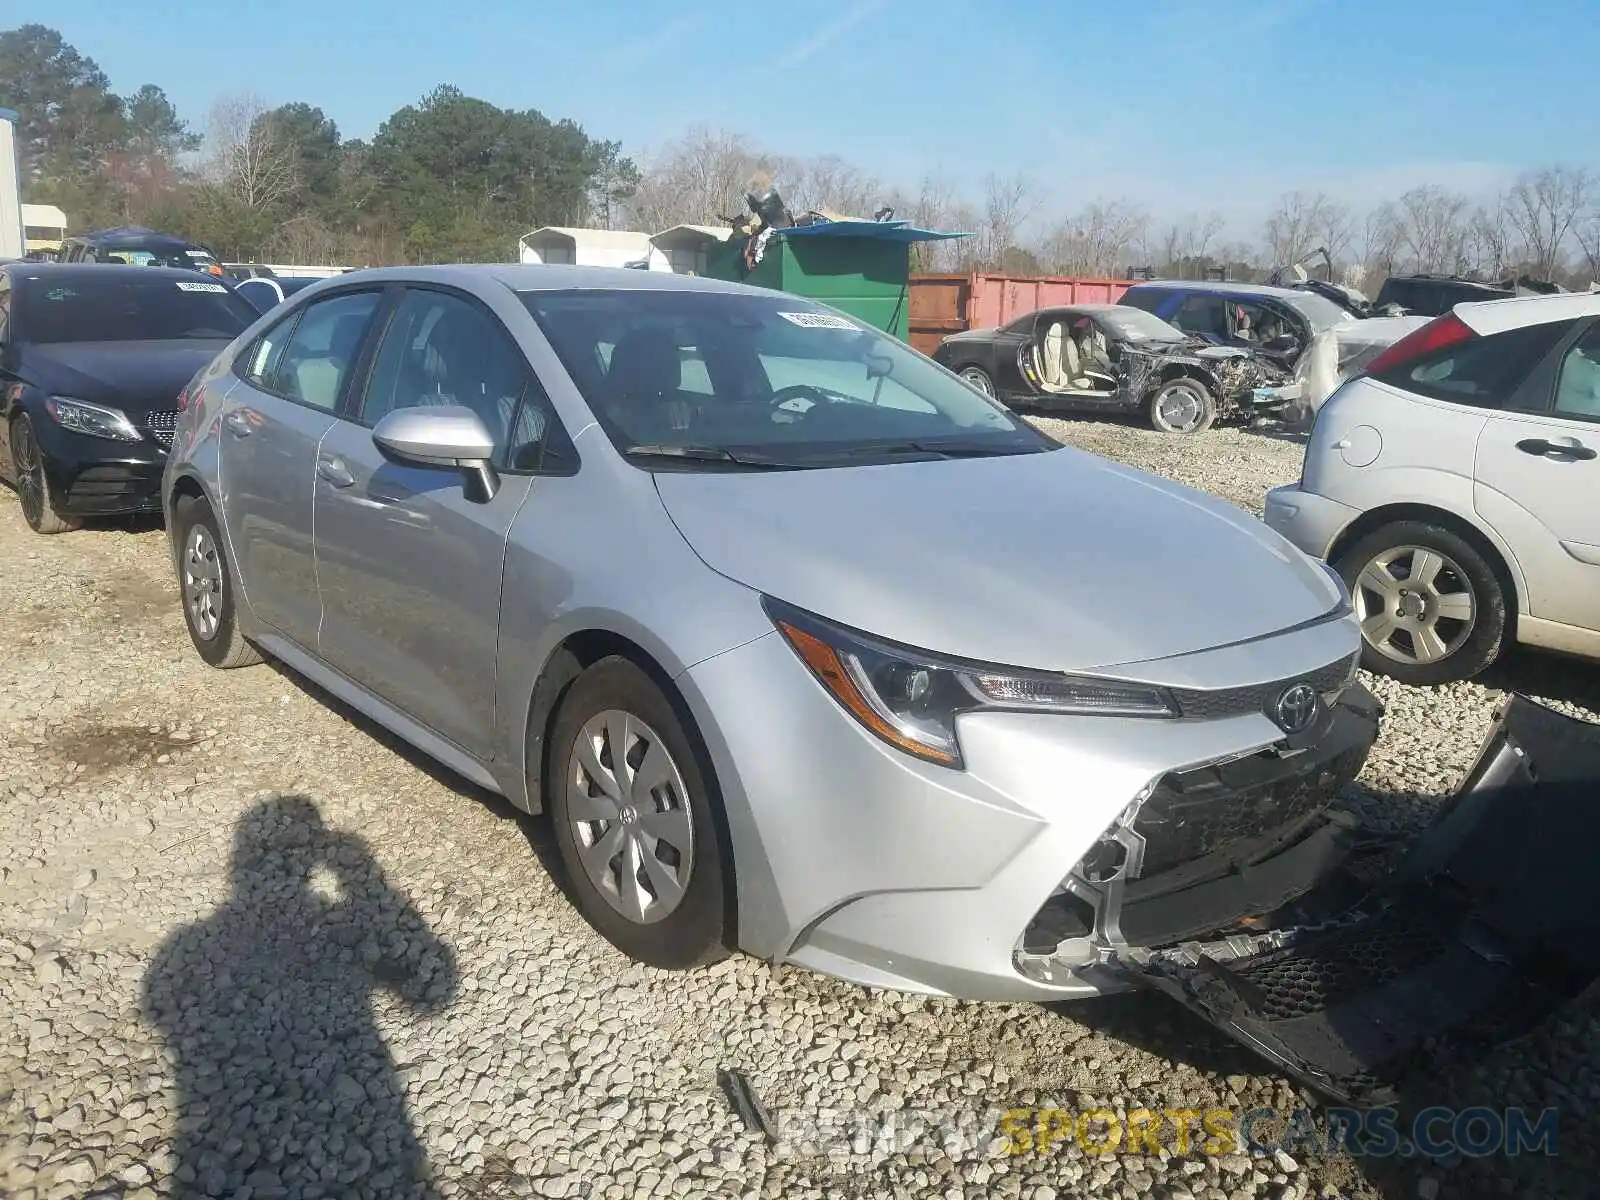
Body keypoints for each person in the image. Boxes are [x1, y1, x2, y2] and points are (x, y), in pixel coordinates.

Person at [143, 796, 457, 1199]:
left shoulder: (186, 944)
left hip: (216, 1127)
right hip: (368, 1097)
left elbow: (158, 1009)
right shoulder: (198, 942)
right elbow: (435, 993)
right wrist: (364, 880)